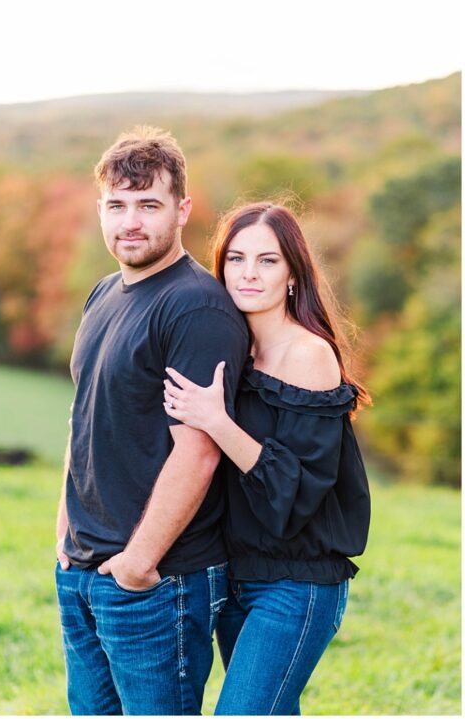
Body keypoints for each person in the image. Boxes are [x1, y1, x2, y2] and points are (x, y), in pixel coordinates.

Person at [55, 126, 249, 715]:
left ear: (182, 209)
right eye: (117, 205)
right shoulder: (103, 294)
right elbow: (83, 414)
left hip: (158, 581)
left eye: (148, 205)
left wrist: (138, 564)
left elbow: (199, 450)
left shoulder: (196, 306)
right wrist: (64, 532)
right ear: (100, 210)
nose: (130, 221)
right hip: (84, 569)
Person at [162, 202, 370, 715]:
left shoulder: (309, 355)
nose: (249, 273)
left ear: (294, 275)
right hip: (233, 578)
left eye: (268, 261)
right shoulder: (230, 349)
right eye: (236, 259)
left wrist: (218, 421)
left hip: (296, 584)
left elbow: (294, 493)